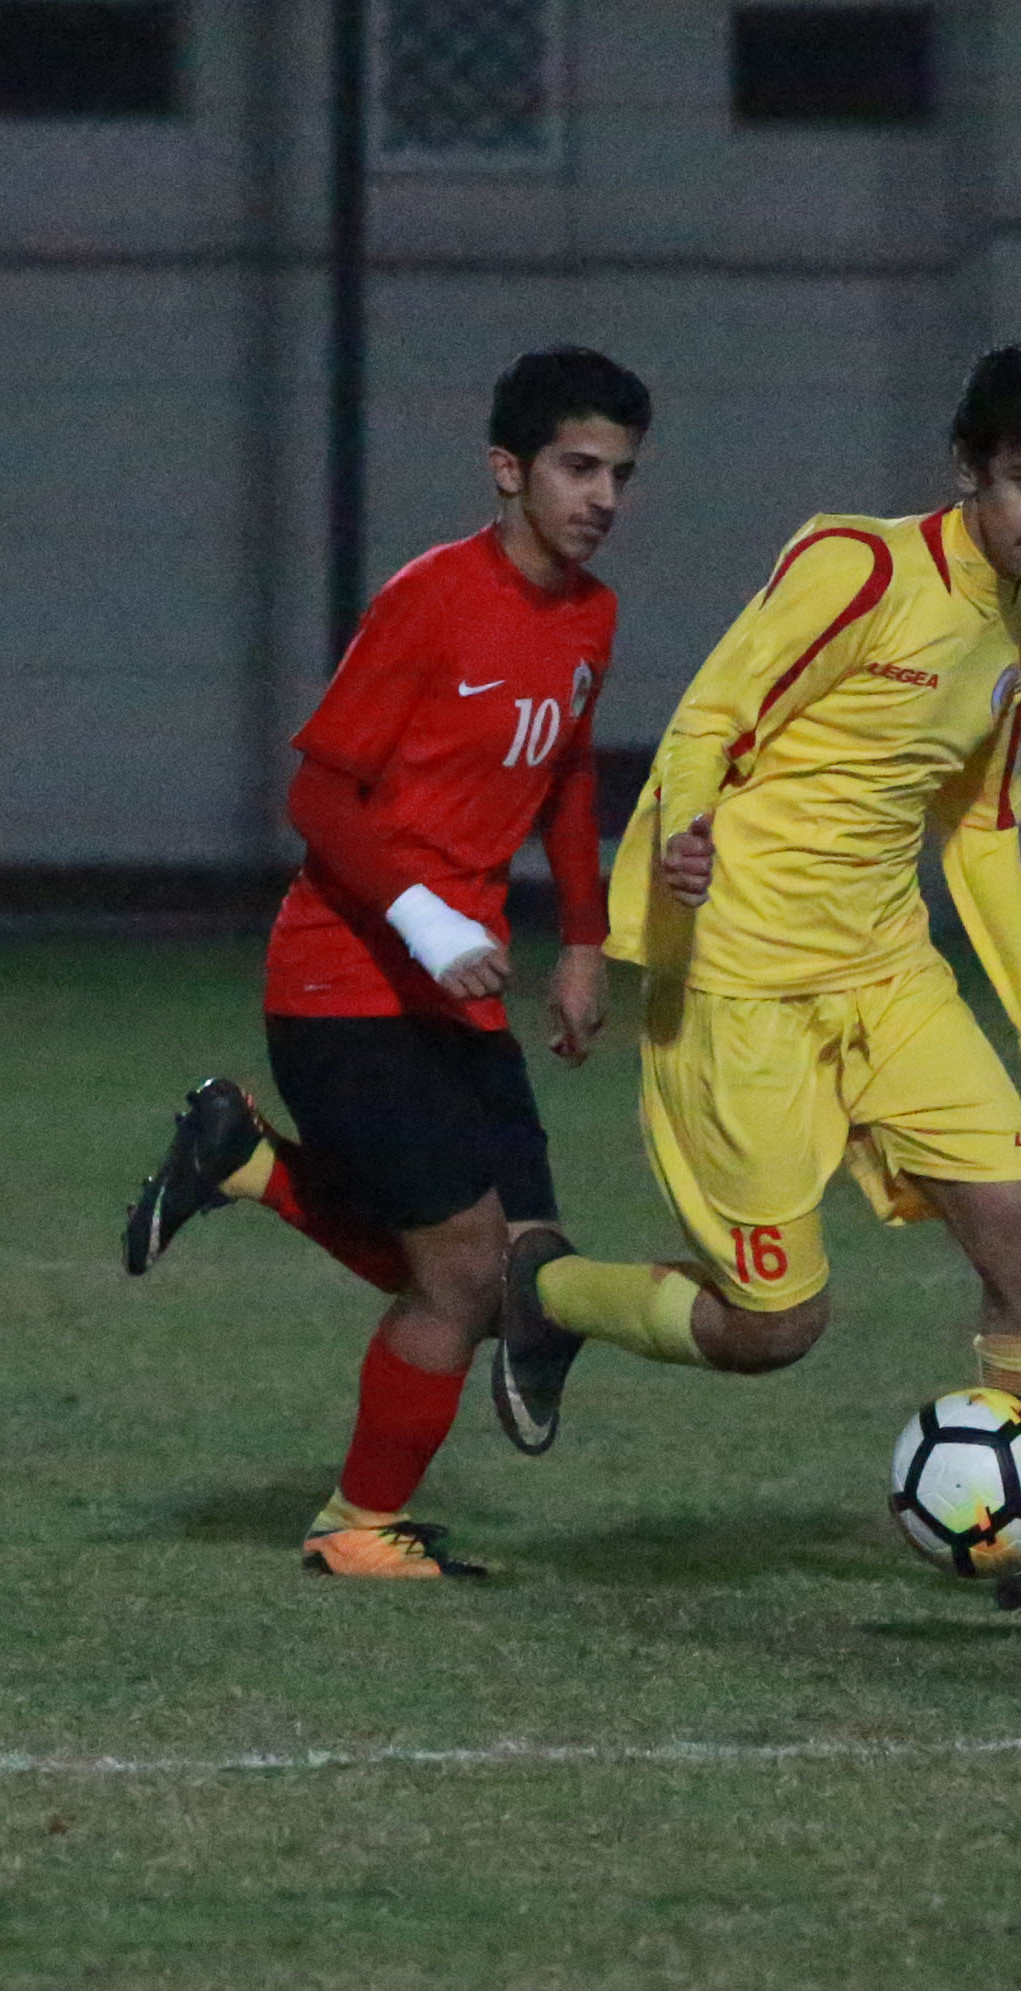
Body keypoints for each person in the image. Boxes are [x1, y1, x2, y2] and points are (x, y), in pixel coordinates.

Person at [491, 342, 1021, 1615]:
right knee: (773, 1326)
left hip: (888, 974)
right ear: (967, 468)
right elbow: (710, 714)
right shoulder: (859, 566)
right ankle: (547, 1294)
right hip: (740, 982)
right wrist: (683, 827)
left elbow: (980, 825)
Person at [124, 345, 652, 1579]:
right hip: (344, 986)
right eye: (577, 467)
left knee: (524, 1270)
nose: (601, 497)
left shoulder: (592, 614)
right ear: (507, 470)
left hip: (459, 998)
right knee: (464, 1276)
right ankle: (355, 1525)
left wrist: (584, 942)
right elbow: (317, 795)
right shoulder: (429, 598)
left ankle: (245, 1159)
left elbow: (568, 778)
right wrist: (427, 920)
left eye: (620, 474)